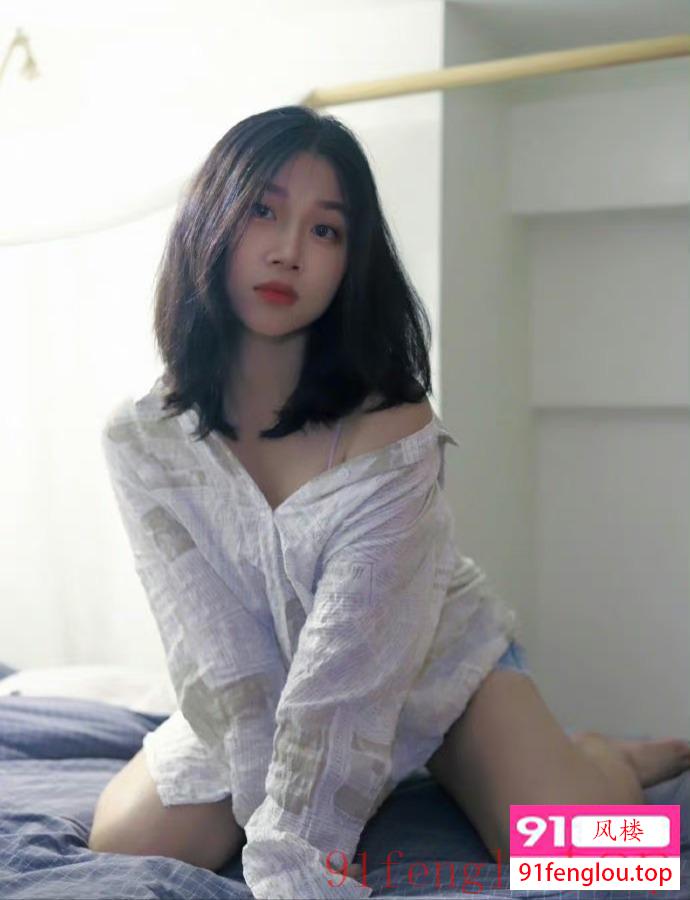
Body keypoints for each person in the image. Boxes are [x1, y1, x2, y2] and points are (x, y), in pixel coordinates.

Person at [88, 105, 690, 899]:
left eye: (325, 230)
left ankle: (603, 759)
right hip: (266, 690)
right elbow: (220, 653)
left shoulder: (392, 433)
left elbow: (347, 687)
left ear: (352, 261)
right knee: (121, 844)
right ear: (211, 219)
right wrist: (271, 803)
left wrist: (294, 868)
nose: (289, 250)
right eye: (263, 211)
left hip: (428, 659)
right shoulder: (141, 437)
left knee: (594, 857)